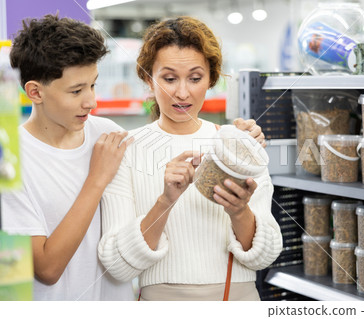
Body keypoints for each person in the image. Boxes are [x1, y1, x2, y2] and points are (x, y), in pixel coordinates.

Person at [1, 14, 265, 301]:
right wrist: (97, 179)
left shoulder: (107, 133)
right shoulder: (11, 161)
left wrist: (240, 142)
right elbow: (47, 269)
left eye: (93, 85)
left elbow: (167, 135)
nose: (91, 101)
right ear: (35, 92)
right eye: (76, 91)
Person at [98, 16, 283, 301]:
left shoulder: (237, 145)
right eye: (169, 78)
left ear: (211, 79)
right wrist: (165, 201)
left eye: (195, 78)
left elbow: (266, 255)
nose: (182, 92)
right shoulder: (127, 151)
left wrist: (239, 211)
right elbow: (117, 265)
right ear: (148, 78)